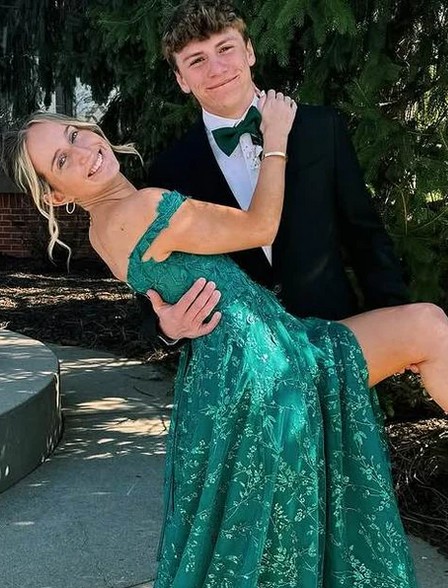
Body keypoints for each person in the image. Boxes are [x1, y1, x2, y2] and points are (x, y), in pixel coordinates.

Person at [3, 101, 448, 588]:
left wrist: (167, 320)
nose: (84, 150)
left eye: (74, 133)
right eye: (61, 160)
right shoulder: (143, 204)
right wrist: (274, 138)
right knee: (423, 328)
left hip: (234, 374)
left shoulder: (106, 223)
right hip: (264, 372)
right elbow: (260, 227)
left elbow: (169, 284)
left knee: (267, 551)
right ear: (56, 195)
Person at [143, 0, 410, 351]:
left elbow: (366, 238)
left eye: (225, 49)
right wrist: (167, 327)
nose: (217, 68)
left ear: (249, 52)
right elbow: (153, 282)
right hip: (240, 360)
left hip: (334, 340)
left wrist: (397, 323)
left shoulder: (320, 129)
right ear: (181, 80)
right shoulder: (168, 171)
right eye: (197, 60)